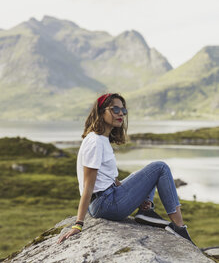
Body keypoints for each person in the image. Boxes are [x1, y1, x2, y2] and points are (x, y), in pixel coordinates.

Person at [57, 93, 194, 244]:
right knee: (160, 167)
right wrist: (78, 223)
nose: (121, 113)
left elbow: (109, 178)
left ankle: (145, 211)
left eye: (123, 110)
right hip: (105, 204)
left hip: (106, 199)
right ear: (101, 111)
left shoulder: (101, 139)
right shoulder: (95, 142)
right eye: (115, 109)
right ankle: (180, 228)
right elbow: (88, 186)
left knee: (141, 174)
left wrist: (139, 196)